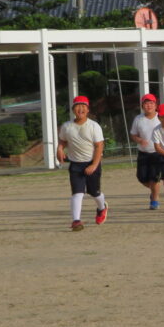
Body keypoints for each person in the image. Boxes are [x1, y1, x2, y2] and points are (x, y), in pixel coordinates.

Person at [56, 95, 107, 231]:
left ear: (88, 109)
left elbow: (99, 147)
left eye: (83, 106)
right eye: (77, 106)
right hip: (75, 164)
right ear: (73, 109)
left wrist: (94, 165)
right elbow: (63, 140)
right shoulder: (67, 126)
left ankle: (102, 208)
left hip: (92, 163)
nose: (80, 109)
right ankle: (76, 221)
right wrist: (60, 149)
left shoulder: (93, 126)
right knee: (77, 193)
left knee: (94, 192)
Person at [130, 93, 162, 210]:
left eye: (151, 103)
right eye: (146, 103)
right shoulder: (138, 119)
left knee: (155, 178)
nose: (149, 106)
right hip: (143, 153)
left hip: (157, 153)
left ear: (156, 105)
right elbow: (133, 134)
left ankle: (154, 200)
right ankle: (154, 190)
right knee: (142, 178)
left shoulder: (161, 117)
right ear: (142, 105)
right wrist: (138, 139)